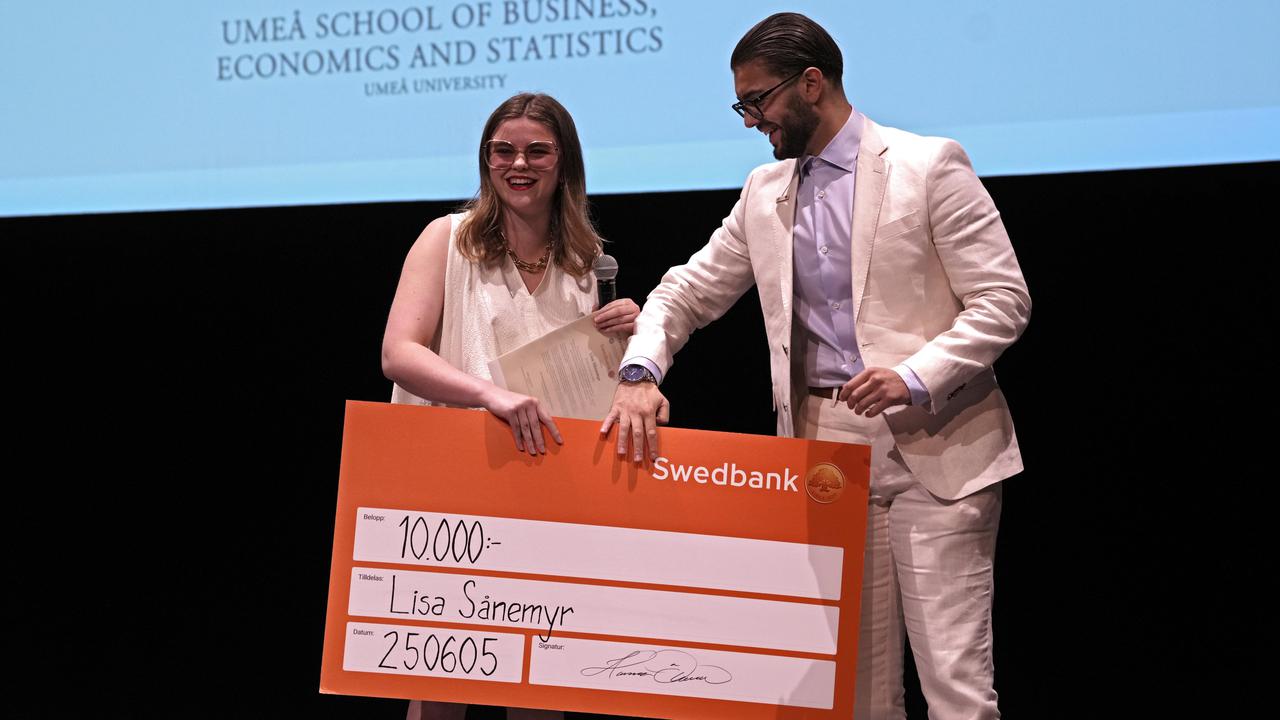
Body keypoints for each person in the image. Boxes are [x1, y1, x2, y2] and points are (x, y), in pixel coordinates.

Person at [602, 12, 1030, 720]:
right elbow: (685, 292)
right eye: (741, 105)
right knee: (857, 694)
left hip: (939, 443)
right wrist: (639, 372)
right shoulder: (764, 192)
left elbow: (1002, 300)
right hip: (826, 455)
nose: (750, 120)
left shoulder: (928, 165)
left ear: (810, 84)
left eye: (757, 100)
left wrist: (914, 375)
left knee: (955, 688)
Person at [382, 92, 639, 720]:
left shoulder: (587, 263)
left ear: (564, 161)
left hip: (543, 486)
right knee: (441, 680)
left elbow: (589, 388)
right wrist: (489, 395)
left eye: (537, 151)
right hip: (452, 486)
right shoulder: (448, 239)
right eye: (503, 151)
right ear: (486, 160)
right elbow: (398, 353)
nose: (518, 164)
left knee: (539, 679)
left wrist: (631, 344)